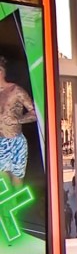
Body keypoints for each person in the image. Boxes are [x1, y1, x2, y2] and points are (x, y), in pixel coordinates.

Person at [0, 55, 38, 190]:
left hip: (16, 141)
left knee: (17, 185)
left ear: (3, 72)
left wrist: (17, 120)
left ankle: (15, 203)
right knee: (3, 183)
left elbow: (35, 113)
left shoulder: (16, 91)